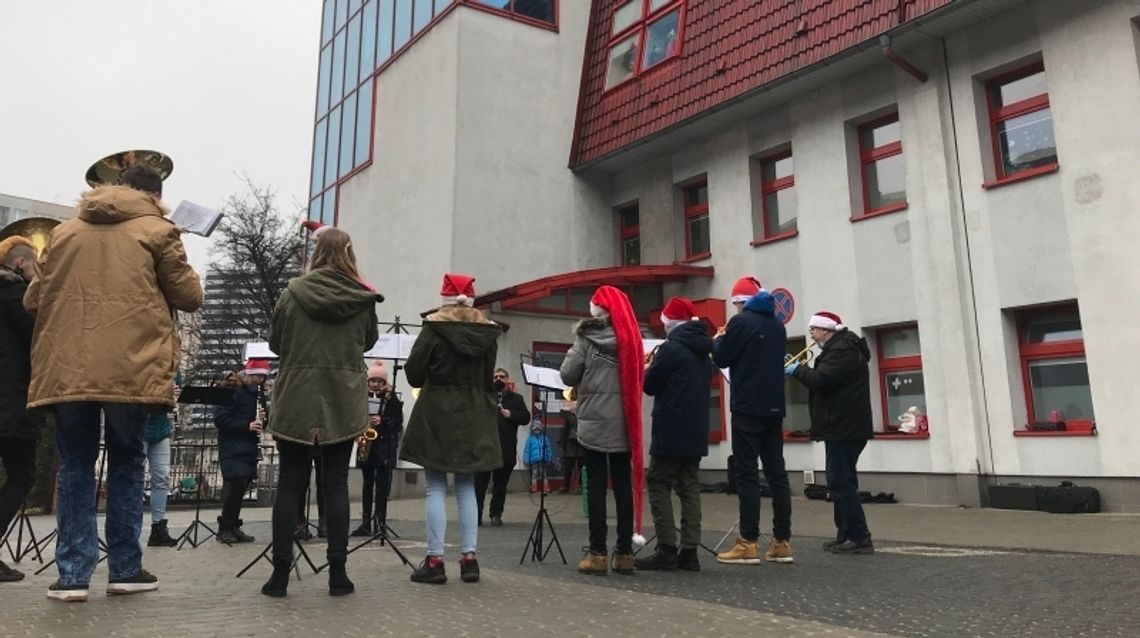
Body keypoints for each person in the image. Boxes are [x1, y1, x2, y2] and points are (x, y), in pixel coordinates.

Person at [25, 164, 203, 602]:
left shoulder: (64, 233)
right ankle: (125, 569)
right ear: (157, 195)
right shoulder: (159, 230)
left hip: (70, 367)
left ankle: (72, 576)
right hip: (133, 366)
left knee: (74, 467)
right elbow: (190, 296)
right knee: (126, 464)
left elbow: (33, 299)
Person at [261, 227, 382, 597]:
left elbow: (276, 342)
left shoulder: (292, 293)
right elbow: (369, 342)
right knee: (336, 486)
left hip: (297, 395)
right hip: (341, 398)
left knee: (289, 484)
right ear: (350, 253)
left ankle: (280, 574)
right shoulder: (361, 297)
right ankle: (338, 575)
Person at [400, 273, 502, 585]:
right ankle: (469, 559)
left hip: (437, 412)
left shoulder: (433, 329)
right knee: (466, 486)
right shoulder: (488, 334)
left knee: (434, 486)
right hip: (474, 413)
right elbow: (487, 379)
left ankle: (435, 560)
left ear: (443, 297)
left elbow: (415, 375)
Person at [561, 285, 645, 576]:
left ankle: (597, 553)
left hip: (594, 422)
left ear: (596, 310)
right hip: (623, 423)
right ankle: (624, 554)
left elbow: (567, 374)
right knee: (623, 487)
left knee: (595, 485)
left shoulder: (586, 338)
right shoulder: (632, 339)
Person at [712, 289, 794, 565]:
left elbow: (722, 358)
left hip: (747, 405)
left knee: (747, 474)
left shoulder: (741, 322)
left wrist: (719, 341)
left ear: (742, 304)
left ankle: (748, 542)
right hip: (774, 406)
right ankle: (782, 542)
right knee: (777, 473)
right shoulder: (778, 325)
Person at [635, 297, 713, 572]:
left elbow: (651, 386)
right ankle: (689, 552)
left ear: (671, 323)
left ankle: (667, 548)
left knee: (658, 483)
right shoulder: (704, 348)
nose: (664, 328)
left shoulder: (670, 349)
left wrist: (645, 370)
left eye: (665, 323)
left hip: (670, 427)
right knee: (689, 487)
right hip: (696, 428)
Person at [786, 311, 875, 554]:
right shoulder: (842, 347)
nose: (812, 335)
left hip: (843, 427)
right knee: (841, 481)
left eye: (813, 330)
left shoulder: (842, 350)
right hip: (844, 426)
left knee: (841, 482)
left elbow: (822, 380)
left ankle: (858, 537)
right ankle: (845, 534)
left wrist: (797, 370)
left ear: (826, 330)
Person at [0, 237, 44, 582]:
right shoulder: (16, 297)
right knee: (22, 474)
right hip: (12, 403)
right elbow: (40, 338)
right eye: (34, 265)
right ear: (19, 265)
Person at [213, 360, 268, 544]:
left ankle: (233, 525)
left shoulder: (259, 394)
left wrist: (264, 419)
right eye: (258, 376)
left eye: (263, 377)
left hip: (249, 445)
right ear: (249, 374)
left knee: (243, 485)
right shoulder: (231, 389)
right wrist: (247, 425)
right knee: (237, 482)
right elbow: (221, 419)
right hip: (232, 445)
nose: (261, 380)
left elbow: (263, 419)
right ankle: (225, 527)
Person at [352, 360, 404, 536]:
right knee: (367, 485)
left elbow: (398, 422)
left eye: (378, 381)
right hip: (367, 445)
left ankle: (380, 522)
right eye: (372, 381)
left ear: (384, 382)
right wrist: (358, 435)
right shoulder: (363, 397)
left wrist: (382, 421)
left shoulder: (391, 398)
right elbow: (355, 418)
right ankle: (366, 522)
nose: (374, 384)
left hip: (384, 446)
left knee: (381, 486)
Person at [474, 368, 530, 527]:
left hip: (505, 450)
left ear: (507, 379)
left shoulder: (516, 399)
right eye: (496, 377)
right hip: (485, 449)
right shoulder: (485, 396)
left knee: (500, 485)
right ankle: (476, 515)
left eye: (502, 377)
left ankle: (496, 514)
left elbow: (526, 417)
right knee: (479, 485)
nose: (499, 379)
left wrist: (509, 414)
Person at [143, 374, 181, 548]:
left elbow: (178, 387)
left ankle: (158, 528)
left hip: (161, 428)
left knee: (162, 479)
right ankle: (131, 526)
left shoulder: (173, 367)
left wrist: (175, 395)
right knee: (135, 478)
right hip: (140, 425)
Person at [558, 390, 583, 494]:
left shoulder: (582, 414)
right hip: (570, 445)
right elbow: (565, 429)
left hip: (581, 443)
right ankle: (566, 486)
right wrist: (563, 443)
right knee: (568, 468)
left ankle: (580, 486)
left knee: (581, 467)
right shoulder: (568, 416)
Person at [523, 420, 553, 494]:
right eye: (535, 429)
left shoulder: (544, 438)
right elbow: (527, 450)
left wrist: (549, 458)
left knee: (544, 473)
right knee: (534, 473)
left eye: (538, 429)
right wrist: (527, 459)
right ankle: (534, 487)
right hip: (534, 459)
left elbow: (548, 448)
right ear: (533, 430)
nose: (537, 430)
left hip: (543, 459)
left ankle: (546, 487)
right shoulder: (530, 439)